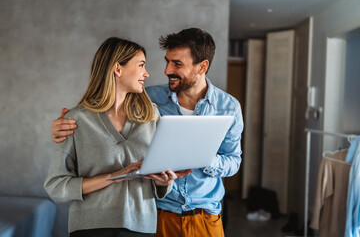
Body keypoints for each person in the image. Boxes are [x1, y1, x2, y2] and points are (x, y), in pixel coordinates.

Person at [51, 28, 244, 237]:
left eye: (177, 64)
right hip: (158, 214)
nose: (166, 70)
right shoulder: (148, 101)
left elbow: (233, 161)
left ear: (202, 66)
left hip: (203, 214)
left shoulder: (228, 107)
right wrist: (63, 126)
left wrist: (201, 157)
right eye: (167, 61)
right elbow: (100, 113)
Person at [44, 37, 178, 237]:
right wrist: (112, 177)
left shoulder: (152, 116)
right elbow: (55, 186)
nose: (146, 73)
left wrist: (164, 182)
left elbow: (159, 176)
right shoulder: (75, 120)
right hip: (90, 228)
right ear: (118, 69)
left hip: (141, 227)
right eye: (141, 65)